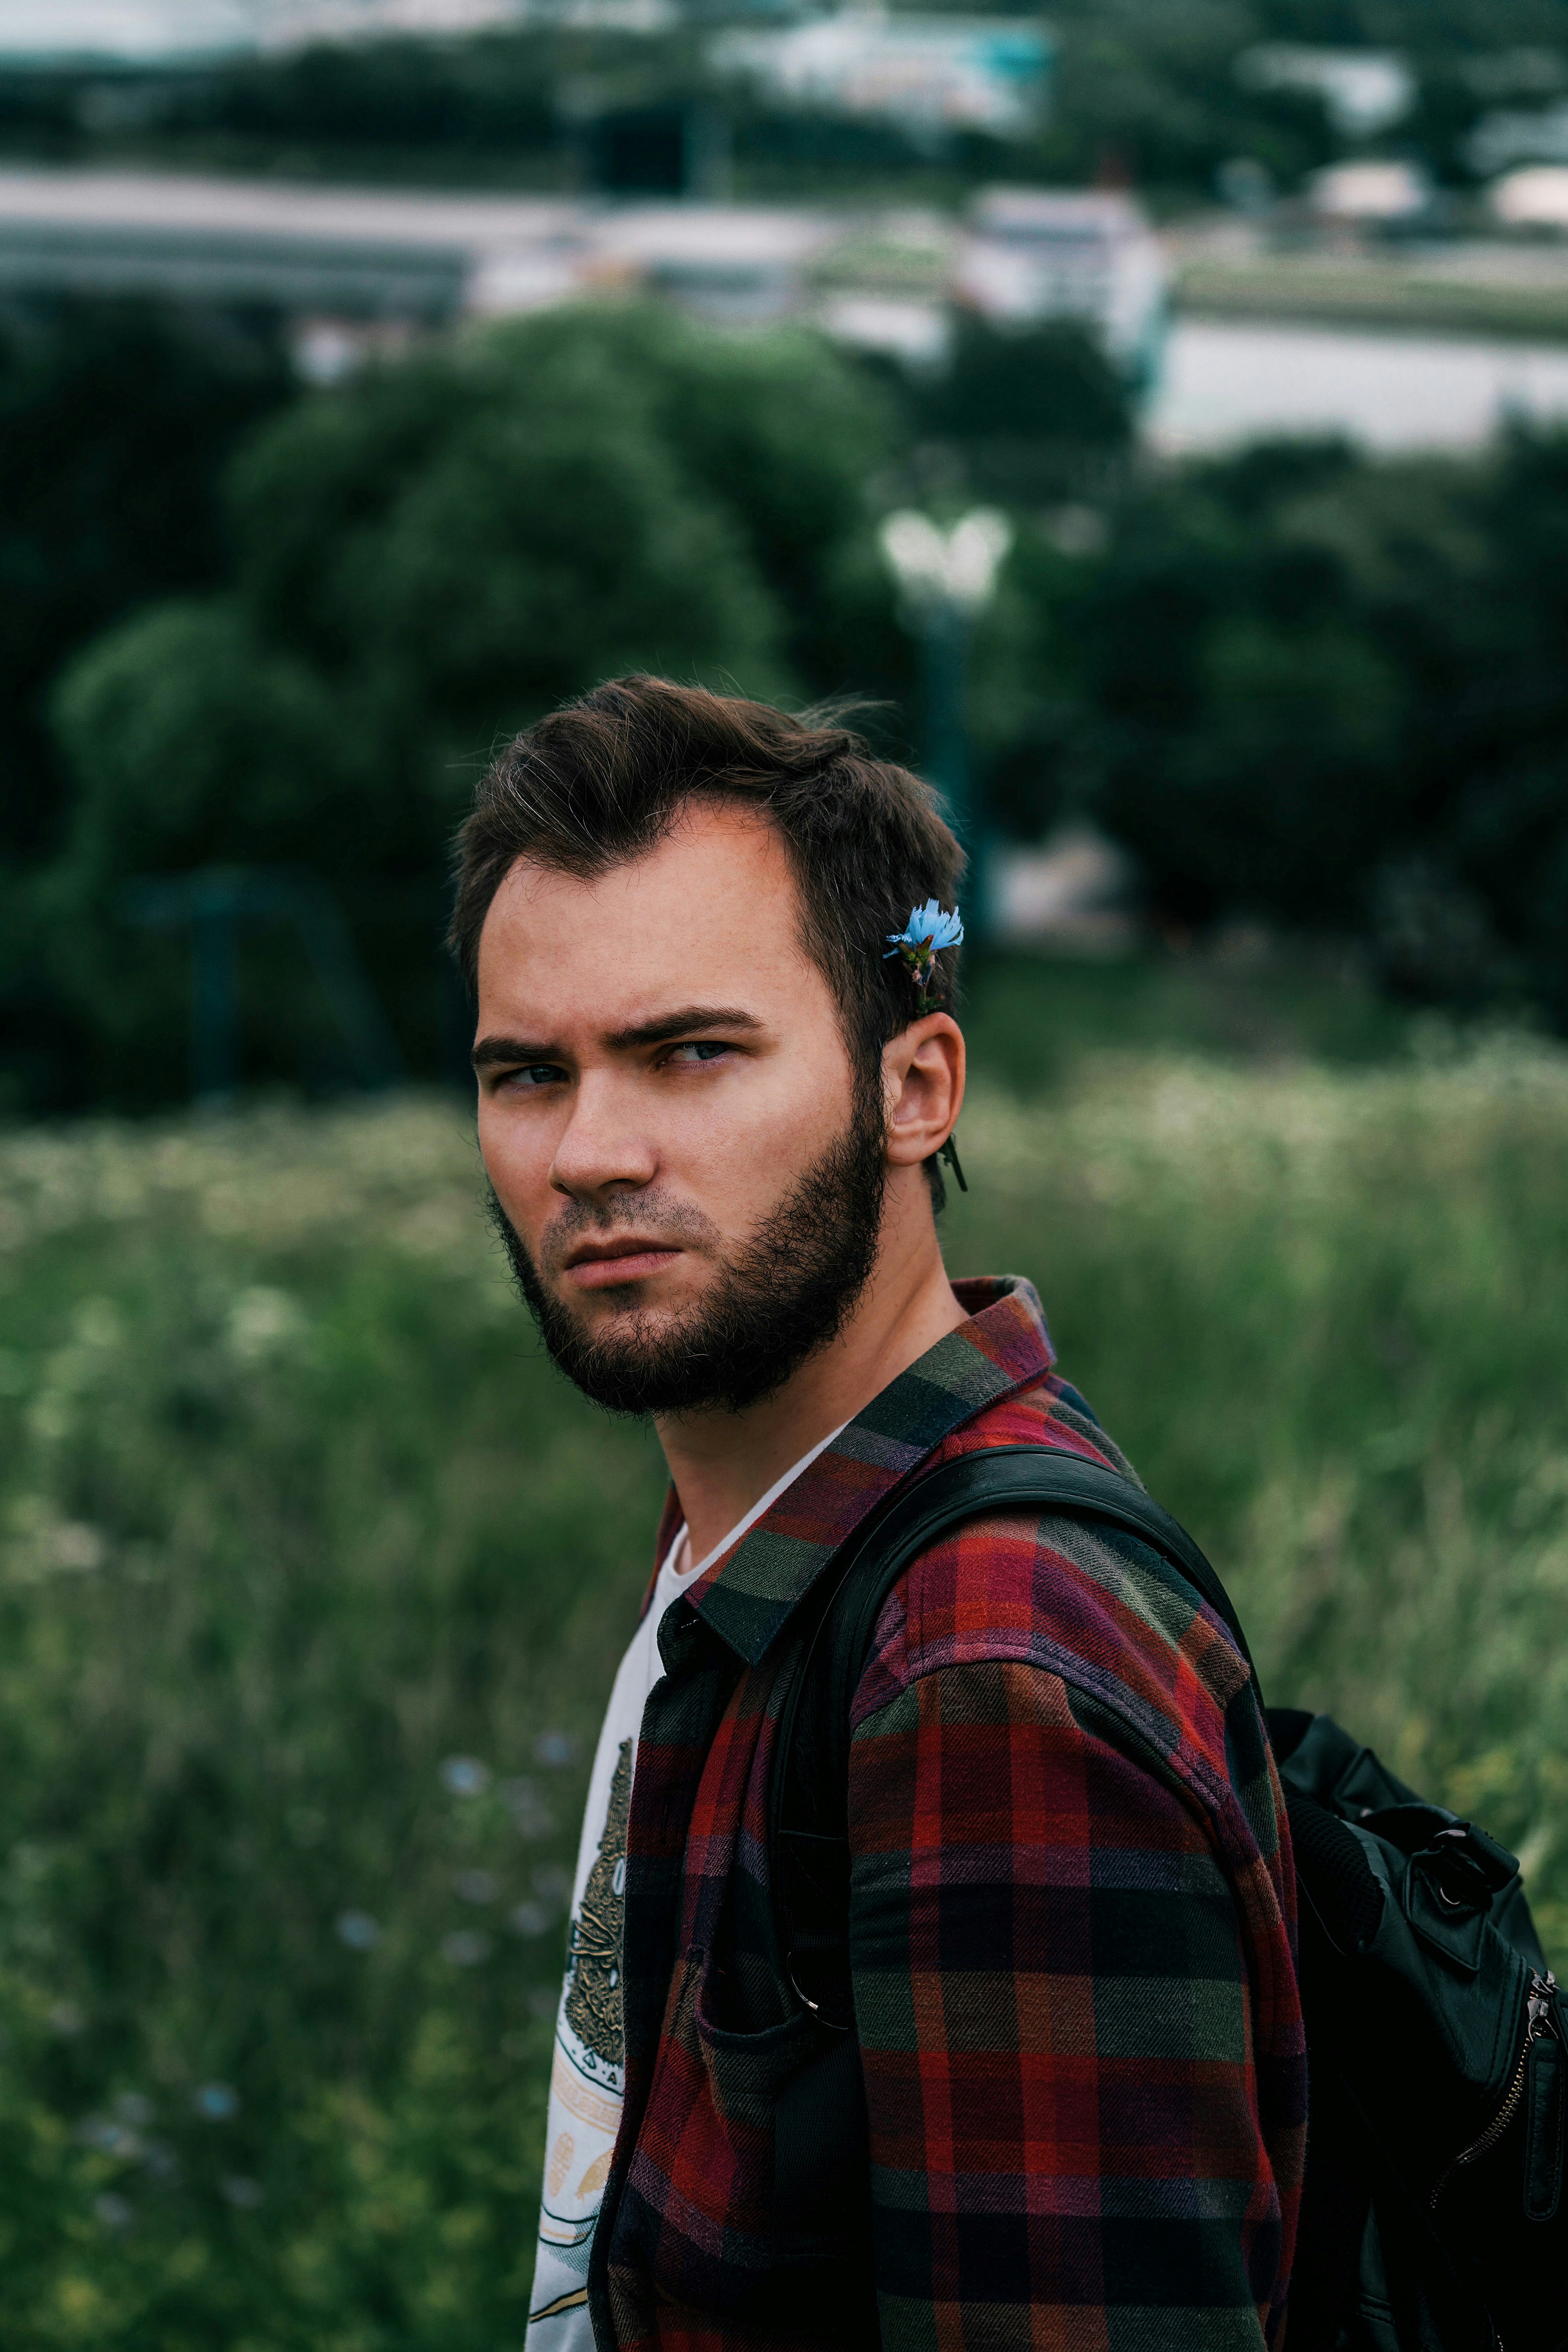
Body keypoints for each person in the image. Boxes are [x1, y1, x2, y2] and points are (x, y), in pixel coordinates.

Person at [450, 677, 1306, 2351]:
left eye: (690, 1053)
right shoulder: (768, 1550)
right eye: (525, 1075)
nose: (589, 1150)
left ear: (918, 1086)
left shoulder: (985, 1668)